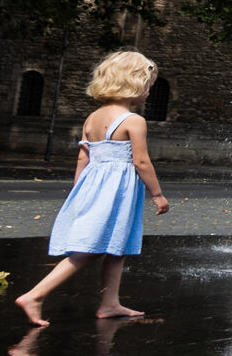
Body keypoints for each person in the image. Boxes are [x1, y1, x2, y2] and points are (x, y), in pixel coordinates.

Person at [13, 51, 171, 329]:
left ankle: (110, 303)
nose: (149, 91)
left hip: (94, 186)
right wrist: (157, 194)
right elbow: (141, 161)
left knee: (116, 245)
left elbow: (83, 158)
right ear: (131, 84)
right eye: (147, 84)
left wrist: (79, 191)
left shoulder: (92, 118)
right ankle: (35, 295)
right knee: (89, 248)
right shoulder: (134, 121)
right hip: (116, 192)